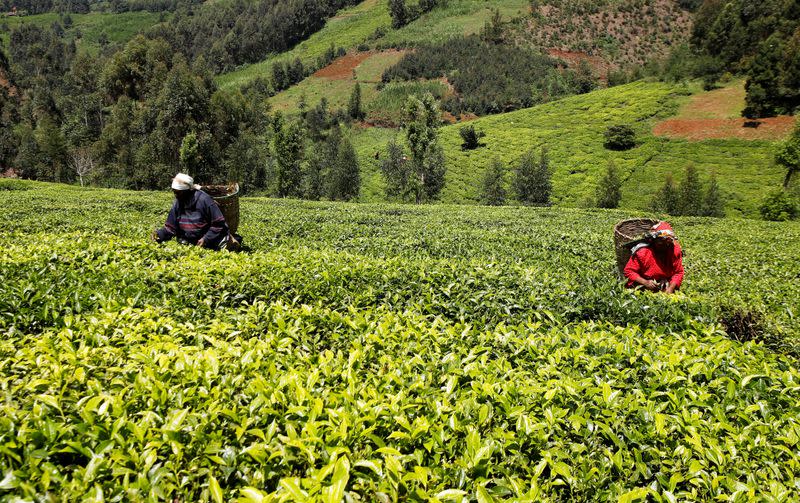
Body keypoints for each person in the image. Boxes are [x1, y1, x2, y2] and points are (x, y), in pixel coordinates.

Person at [152, 173, 239, 250]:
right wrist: (159, 235)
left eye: (179, 193)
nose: (176, 196)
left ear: (189, 191)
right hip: (189, 241)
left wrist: (206, 239)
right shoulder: (178, 204)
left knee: (222, 246)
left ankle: (231, 240)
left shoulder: (205, 200)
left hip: (209, 239)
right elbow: (170, 228)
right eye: (174, 192)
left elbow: (218, 223)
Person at [623, 221, 684, 294]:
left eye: (667, 242)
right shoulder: (643, 252)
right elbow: (629, 271)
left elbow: (678, 272)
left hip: (664, 283)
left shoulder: (674, 250)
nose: (664, 245)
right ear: (653, 241)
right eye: (661, 242)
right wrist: (645, 282)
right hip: (643, 284)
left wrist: (671, 288)